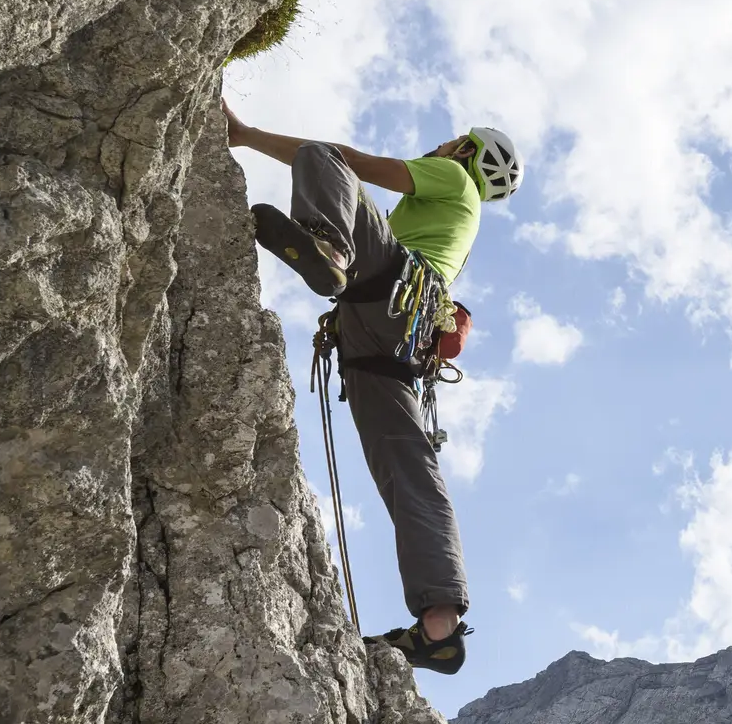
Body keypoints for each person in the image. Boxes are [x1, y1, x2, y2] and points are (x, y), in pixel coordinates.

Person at [222, 99, 523, 673]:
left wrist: (249, 134)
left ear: (467, 151)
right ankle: (440, 625)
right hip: (387, 338)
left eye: (451, 140)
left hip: (384, 295)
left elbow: (345, 161)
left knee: (320, 153)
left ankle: (330, 246)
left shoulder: (453, 176)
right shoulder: (453, 214)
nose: (440, 145)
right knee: (409, 469)